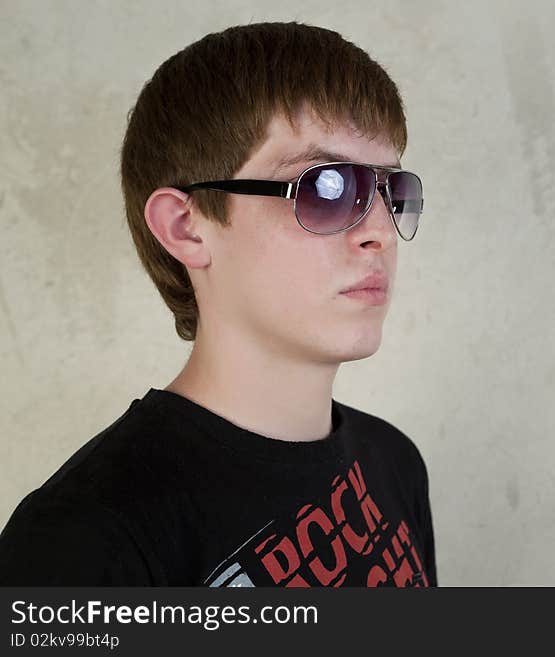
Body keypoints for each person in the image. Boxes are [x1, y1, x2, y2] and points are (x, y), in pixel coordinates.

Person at [0, 21, 435, 587]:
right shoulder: (83, 542)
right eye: (326, 188)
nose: (378, 230)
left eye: (389, 190)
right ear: (186, 227)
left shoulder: (393, 462)